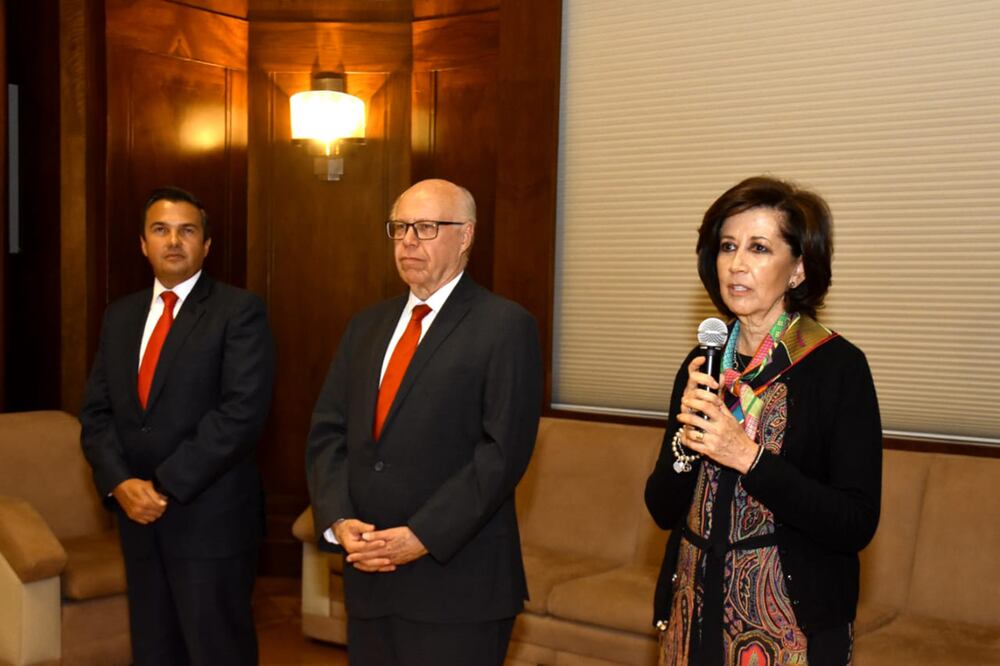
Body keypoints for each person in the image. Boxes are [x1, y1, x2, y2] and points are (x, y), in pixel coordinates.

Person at [645, 176, 882, 666]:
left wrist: (749, 459)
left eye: (759, 248)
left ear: (797, 269)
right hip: (692, 611)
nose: (736, 263)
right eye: (727, 246)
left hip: (788, 623)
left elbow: (855, 522)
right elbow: (662, 508)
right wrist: (687, 442)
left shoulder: (837, 367)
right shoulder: (703, 363)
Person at [306, 178, 543, 665]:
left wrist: (420, 537)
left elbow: (502, 453)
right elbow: (328, 433)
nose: (409, 240)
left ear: (467, 235)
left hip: (457, 584)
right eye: (400, 228)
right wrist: (339, 518)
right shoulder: (365, 326)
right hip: (369, 574)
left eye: (427, 227)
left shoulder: (505, 325)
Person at [80, 186, 275, 666]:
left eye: (187, 231)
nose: (173, 241)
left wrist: (161, 487)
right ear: (142, 244)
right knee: (154, 649)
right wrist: (121, 483)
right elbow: (96, 413)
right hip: (137, 521)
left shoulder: (239, 311)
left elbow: (241, 415)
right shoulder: (120, 316)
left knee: (215, 651)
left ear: (206, 246)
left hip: (211, 521)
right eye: (160, 230)